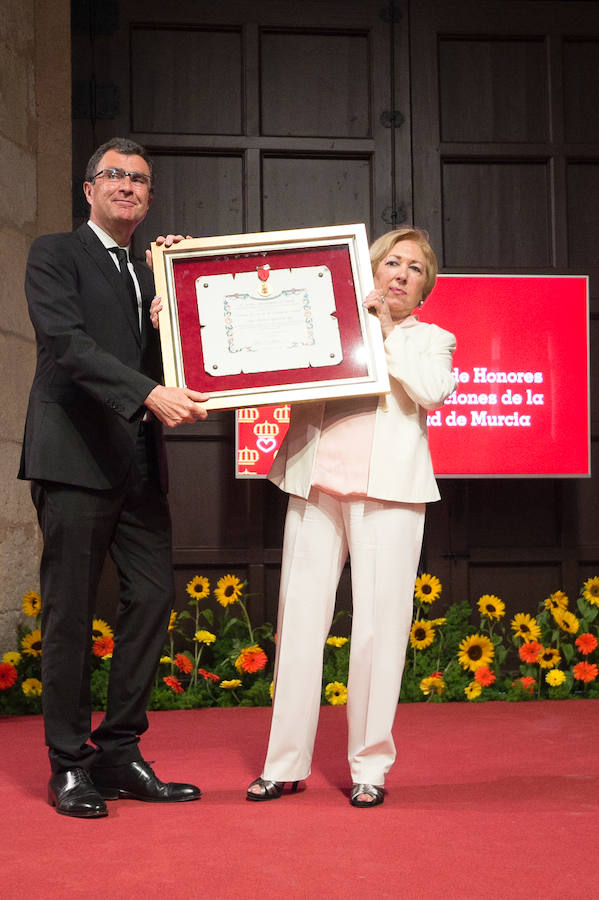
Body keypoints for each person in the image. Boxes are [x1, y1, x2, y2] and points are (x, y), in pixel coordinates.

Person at [19, 137, 210, 818]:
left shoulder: (146, 269)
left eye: (140, 180)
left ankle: (119, 751)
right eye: (115, 176)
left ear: (150, 197)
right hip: (73, 458)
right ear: (89, 189)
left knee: (153, 600)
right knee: (70, 614)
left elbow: (172, 360)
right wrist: (149, 393)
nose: (128, 186)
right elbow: (68, 345)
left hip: (136, 461)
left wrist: (179, 295)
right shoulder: (54, 253)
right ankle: (69, 765)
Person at [246, 227, 457, 808]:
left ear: (423, 290)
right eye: (392, 262)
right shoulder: (327, 321)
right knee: (298, 628)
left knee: (377, 632)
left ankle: (370, 768)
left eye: (414, 269)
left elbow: (433, 392)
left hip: (388, 494)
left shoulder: (431, 339)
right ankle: (283, 764)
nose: (401, 274)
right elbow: (261, 357)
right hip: (315, 485)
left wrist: (385, 331)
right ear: (369, 270)